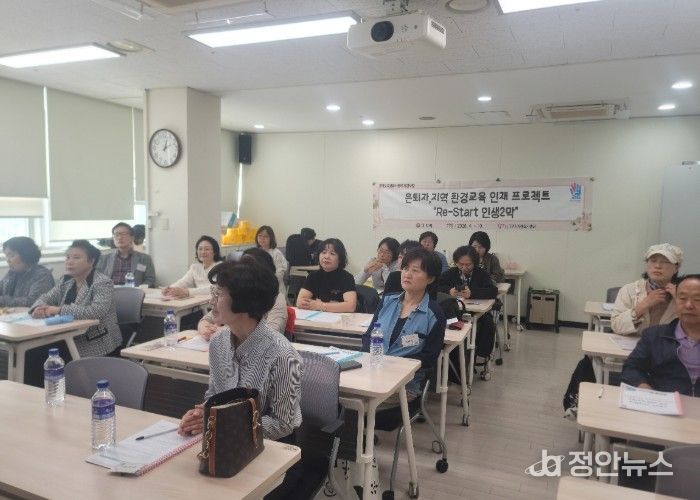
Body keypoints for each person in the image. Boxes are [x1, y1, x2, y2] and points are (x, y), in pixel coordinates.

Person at [178, 259, 301, 439]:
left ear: (243, 302)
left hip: (269, 444)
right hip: (225, 437)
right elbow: (214, 395)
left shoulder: (283, 355)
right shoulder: (218, 342)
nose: (211, 301)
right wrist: (201, 414)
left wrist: (225, 423)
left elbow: (283, 424)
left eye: (218, 294)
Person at [361, 248, 446, 397]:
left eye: (415, 270)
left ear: (430, 278)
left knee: (361, 404)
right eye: (405, 268)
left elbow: (430, 357)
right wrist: (373, 359)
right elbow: (368, 336)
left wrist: (393, 364)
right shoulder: (387, 301)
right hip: (372, 374)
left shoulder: (434, 314)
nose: (407, 274)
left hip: (405, 385)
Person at [31, 240, 121, 358]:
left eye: (76, 258)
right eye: (68, 257)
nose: (70, 261)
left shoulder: (102, 282)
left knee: (40, 355)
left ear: (91, 261)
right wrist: (38, 308)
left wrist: (59, 310)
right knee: (34, 352)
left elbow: (97, 311)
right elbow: (46, 297)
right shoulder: (66, 280)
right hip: (66, 335)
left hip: (94, 340)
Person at [622, 274, 700, 396]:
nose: (688, 305)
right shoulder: (654, 336)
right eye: (682, 298)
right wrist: (645, 388)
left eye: (698, 300)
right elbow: (632, 368)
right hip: (664, 401)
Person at [198, 247, 288, 339]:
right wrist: (205, 327)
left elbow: (272, 331)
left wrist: (225, 331)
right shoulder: (233, 292)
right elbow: (210, 317)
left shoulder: (276, 298)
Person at [439, 245, 498, 360]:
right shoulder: (451, 273)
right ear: (456, 262)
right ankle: (454, 357)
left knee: (487, 324)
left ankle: (477, 355)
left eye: (468, 264)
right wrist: (449, 291)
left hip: (476, 313)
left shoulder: (481, 274)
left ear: (474, 263)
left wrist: (472, 293)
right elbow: (436, 286)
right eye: (460, 264)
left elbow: (492, 291)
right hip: (454, 312)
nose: (464, 267)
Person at [611, 243, 681, 336]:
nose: (658, 266)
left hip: (670, 344)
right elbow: (616, 326)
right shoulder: (629, 290)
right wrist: (643, 305)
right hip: (634, 343)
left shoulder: (683, 293)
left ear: (676, 268)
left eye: (665, 262)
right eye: (653, 261)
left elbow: (694, 330)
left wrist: (680, 300)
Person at [296, 238, 357, 313]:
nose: (326, 256)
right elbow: (299, 302)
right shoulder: (312, 276)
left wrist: (319, 305)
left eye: (332, 253)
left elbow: (350, 306)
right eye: (323, 252)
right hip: (316, 317)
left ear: (340, 259)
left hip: (339, 318)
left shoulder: (347, 277)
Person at [96, 222, 156, 287]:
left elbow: (150, 280)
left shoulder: (145, 259)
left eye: (123, 234)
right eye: (116, 235)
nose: (119, 238)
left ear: (132, 238)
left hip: (134, 292)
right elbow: (97, 278)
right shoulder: (104, 258)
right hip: (110, 291)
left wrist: (140, 289)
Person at [0, 237, 55, 307]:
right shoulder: (12, 273)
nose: (8, 260)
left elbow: (33, 302)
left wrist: (2, 301)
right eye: (6, 256)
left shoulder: (42, 275)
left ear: (25, 255)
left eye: (11, 255)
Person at [255, 225, 288, 291]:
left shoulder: (276, 253)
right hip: (259, 287)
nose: (262, 238)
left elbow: (280, 273)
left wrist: (266, 280)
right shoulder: (255, 252)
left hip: (274, 287)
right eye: (260, 236)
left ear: (271, 238)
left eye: (265, 236)